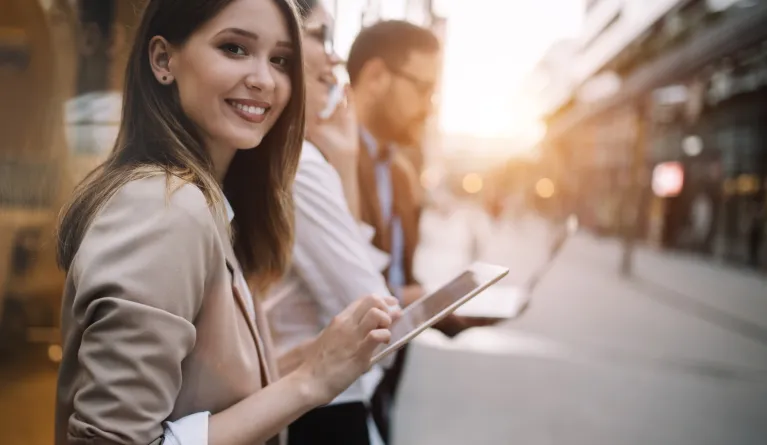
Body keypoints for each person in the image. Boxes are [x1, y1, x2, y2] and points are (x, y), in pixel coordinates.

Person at [54, 1, 398, 445]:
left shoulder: (207, 202)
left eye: (280, 60)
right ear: (163, 60)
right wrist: (309, 380)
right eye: (234, 48)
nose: (264, 79)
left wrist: (302, 360)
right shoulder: (164, 209)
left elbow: (195, 388)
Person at [264, 1, 391, 444]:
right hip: (317, 411)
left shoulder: (302, 157)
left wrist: (343, 158)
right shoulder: (299, 162)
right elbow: (374, 306)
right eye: (321, 36)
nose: (336, 59)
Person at [347, 20, 479, 443]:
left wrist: (439, 306)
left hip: (391, 360)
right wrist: (427, 300)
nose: (428, 105)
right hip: (341, 378)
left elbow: (402, 273)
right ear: (375, 76)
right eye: (422, 88)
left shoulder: (402, 173)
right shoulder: (326, 164)